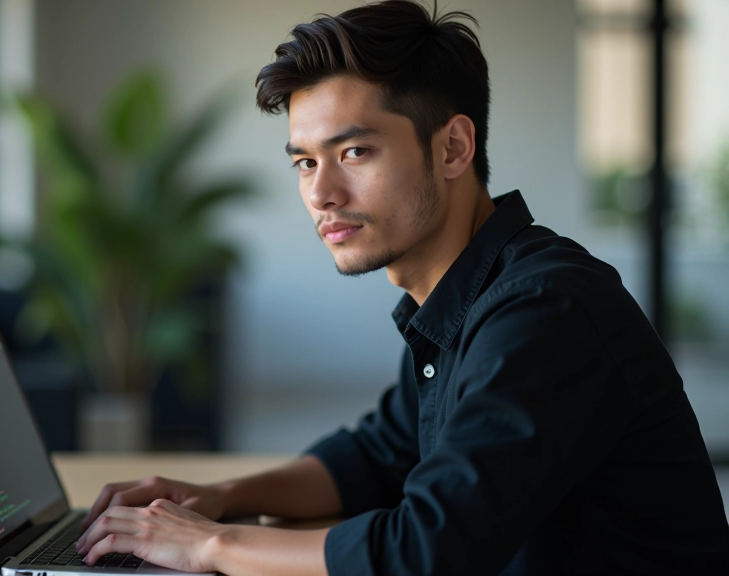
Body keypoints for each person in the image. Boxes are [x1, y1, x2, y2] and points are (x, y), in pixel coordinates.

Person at [72, 1, 729, 574]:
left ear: (452, 149)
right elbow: (376, 455)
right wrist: (220, 497)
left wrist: (212, 545)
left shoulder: (544, 309)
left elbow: (423, 549)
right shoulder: (455, 303)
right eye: (305, 161)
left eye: (354, 152)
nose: (321, 194)